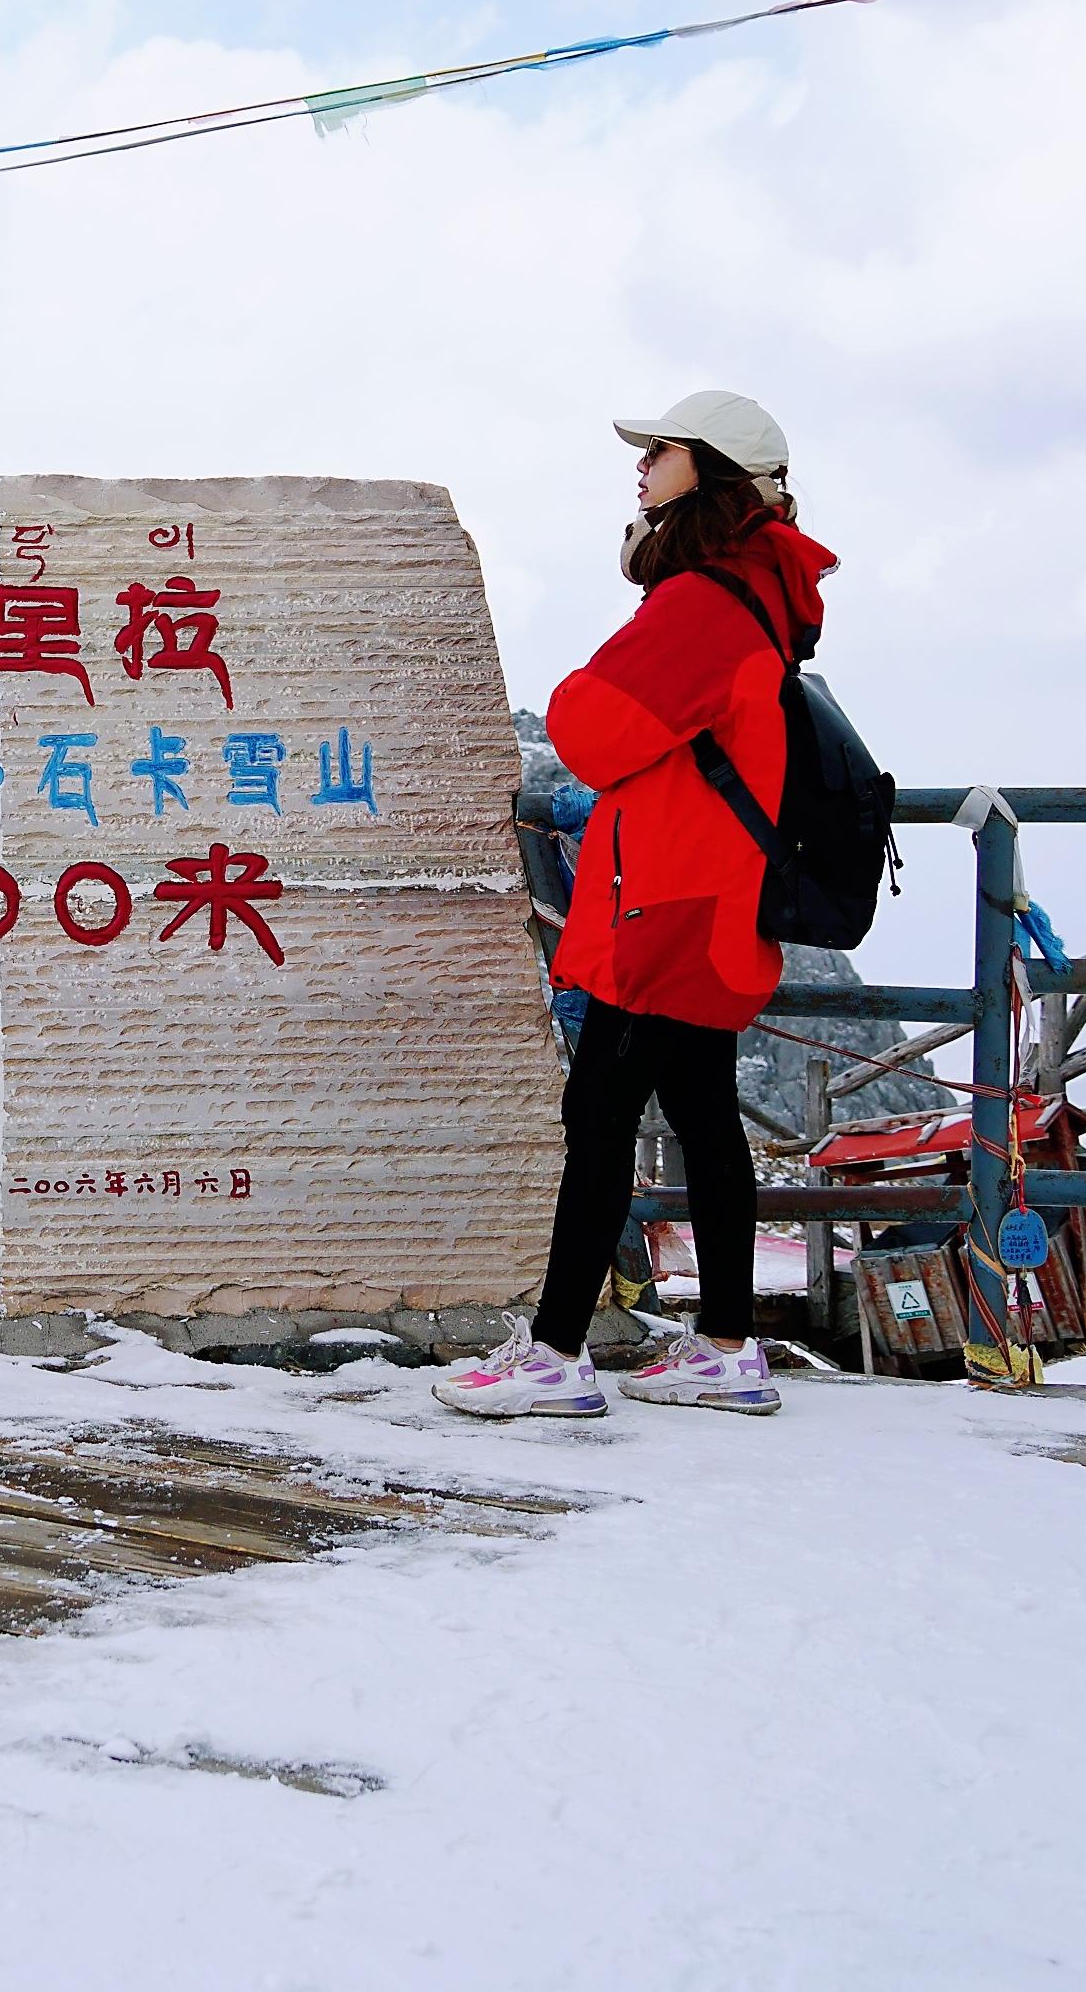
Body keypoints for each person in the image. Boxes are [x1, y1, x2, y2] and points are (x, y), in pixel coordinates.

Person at [438, 388, 836, 1420]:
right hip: (712, 894)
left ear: (706, 468)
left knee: (601, 1113)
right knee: (705, 1116)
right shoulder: (757, 593)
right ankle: (725, 1347)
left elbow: (591, 728)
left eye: (659, 451)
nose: (642, 465)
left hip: (669, 898)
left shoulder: (705, 601)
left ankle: (557, 1353)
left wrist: (576, 696)